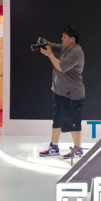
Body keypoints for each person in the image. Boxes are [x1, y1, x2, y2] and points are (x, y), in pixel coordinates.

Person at [38, 25, 86, 159]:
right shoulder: (65, 47)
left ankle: (78, 149)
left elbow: (61, 67)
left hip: (72, 95)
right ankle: (54, 147)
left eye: (64, 37)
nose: (62, 39)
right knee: (57, 120)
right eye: (62, 37)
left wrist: (49, 54)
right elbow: (54, 46)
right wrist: (45, 42)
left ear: (72, 39)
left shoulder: (76, 52)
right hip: (60, 92)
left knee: (73, 122)